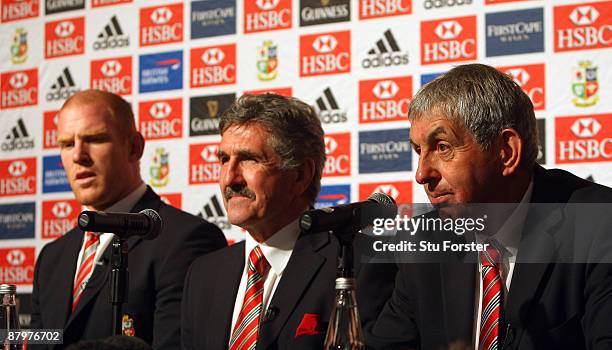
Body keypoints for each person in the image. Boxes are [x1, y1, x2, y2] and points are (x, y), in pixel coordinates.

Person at [365, 63, 612, 350]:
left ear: (505, 152)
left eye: (443, 147)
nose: (421, 173)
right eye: (419, 151)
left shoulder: (599, 225)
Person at [181, 93, 394, 350]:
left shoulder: (359, 263)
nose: (230, 178)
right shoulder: (204, 274)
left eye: (249, 159)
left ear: (300, 175)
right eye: (224, 159)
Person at [30, 90, 227, 349]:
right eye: (67, 144)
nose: (78, 156)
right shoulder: (51, 257)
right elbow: (43, 341)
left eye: (95, 139)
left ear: (134, 147)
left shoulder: (187, 240)